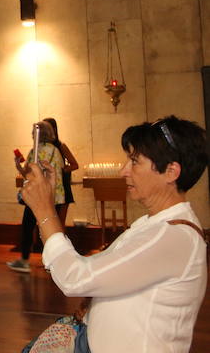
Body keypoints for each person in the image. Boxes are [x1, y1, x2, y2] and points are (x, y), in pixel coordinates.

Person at [21, 116, 208, 353]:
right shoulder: (152, 225)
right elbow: (92, 272)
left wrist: (44, 209)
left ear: (171, 171)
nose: (123, 171)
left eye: (134, 161)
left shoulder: (174, 237)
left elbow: (75, 278)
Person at [7, 121, 64, 273]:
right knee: (51, 228)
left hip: (38, 195)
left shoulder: (36, 151)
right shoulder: (55, 150)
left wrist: (18, 166)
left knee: (27, 227)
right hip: (55, 195)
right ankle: (54, 263)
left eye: (34, 132)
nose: (32, 134)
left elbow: (29, 173)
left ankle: (24, 260)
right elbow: (60, 170)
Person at [43, 117, 79, 225]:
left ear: (54, 129)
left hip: (61, 187)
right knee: (47, 222)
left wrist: (60, 170)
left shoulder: (61, 146)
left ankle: (61, 241)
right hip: (48, 188)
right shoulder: (42, 148)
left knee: (59, 222)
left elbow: (74, 165)